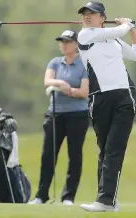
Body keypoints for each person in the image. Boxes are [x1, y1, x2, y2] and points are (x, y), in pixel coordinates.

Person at [76, 1, 136, 212]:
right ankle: (108, 200)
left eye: (92, 13)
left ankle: (105, 201)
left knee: (114, 149)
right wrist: (126, 25)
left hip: (125, 96)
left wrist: (132, 30)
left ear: (103, 17)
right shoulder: (84, 36)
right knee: (105, 150)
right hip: (99, 99)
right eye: (85, 14)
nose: (87, 16)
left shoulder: (113, 39)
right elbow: (116, 31)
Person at [29, 30, 89, 205]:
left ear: (76, 44)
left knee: (74, 156)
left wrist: (69, 91)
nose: (63, 44)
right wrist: (61, 83)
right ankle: (41, 195)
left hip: (77, 115)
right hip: (55, 114)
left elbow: (84, 92)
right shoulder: (55, 62)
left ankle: (68, 196)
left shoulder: (84, 64)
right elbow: (47, 81)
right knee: (48, 155)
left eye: (68, 41)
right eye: (62, 41)